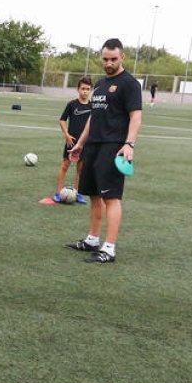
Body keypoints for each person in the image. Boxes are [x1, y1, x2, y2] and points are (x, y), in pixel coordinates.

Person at [66, 38, 142, 264]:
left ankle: (109, 248)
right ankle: (92, 239)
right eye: (105, 59)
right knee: (94, 195)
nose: (108, 63)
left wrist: (129, 144)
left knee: (111, 197)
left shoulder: (129, 84)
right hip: (93, 146)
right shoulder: (99, 84)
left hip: (114, 147)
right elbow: (94, 116)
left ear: (123, 57)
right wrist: (80, 143)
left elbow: (135, 116)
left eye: (113, 59)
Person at [56, 77, 93, 204]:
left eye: (88, 89)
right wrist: (66, 134)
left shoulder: (92, 106)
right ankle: (58, 192)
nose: (85, 92)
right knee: (65, 165)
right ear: (78, 89)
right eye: (83, 89)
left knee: (81, 169)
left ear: (91, 90)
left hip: (85, 143)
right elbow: (62, 120)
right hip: (71, 142)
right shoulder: (72, 104)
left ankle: (78, 193)